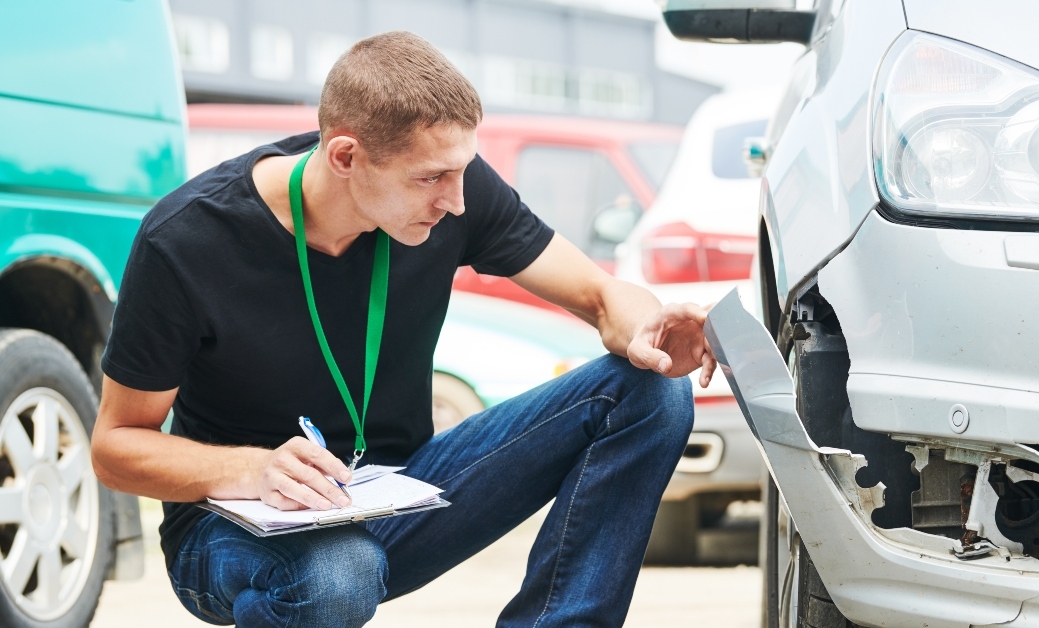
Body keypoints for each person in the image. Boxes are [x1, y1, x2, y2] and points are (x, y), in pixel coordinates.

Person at [91, 31, 715, 627]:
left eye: (462, 171)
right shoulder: (186, 240)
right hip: (234, 521)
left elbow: (602, 295)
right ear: (344, 156)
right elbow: (116, 447)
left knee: (650, 391)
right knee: (338, 575)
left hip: (396, 491)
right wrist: (254, 470)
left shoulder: (449, 186)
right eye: (431, 179)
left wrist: (647, 327)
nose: (457, 201)